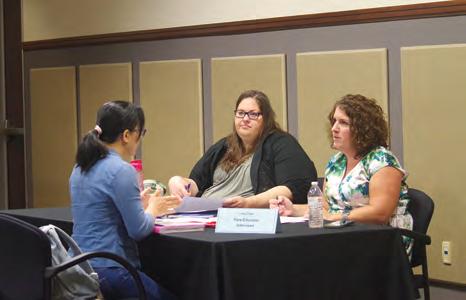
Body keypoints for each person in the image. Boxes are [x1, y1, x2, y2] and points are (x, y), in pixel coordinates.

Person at [69, 100, 180, 300]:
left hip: (77, 267)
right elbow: (138, 230)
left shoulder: (80, 167)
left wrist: (138, 206)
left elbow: (102, 210)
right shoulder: (122, 170)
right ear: (127, 135)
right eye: (141, 132)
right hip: (111, 269)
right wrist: (152, 209)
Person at [270, 94, 413, 244]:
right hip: (344, 235)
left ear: (363, 129)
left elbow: (380, 213)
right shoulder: (336, 162)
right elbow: (326, 207)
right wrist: (293, 209)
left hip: (383, 240)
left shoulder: (382, 161)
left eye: (343, 123)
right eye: (334, 121)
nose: (334, 129)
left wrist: (337, 217)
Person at [169, 90, 317, 207]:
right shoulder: (224, 146)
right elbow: (195, 184)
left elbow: (294, 187)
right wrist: (177, 181)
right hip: (205, 216)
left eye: (253, 114)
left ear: (266, 119)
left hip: (245, 218)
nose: (245, 119)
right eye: (240, 113)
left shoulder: (281, 143)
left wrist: (248, 203)